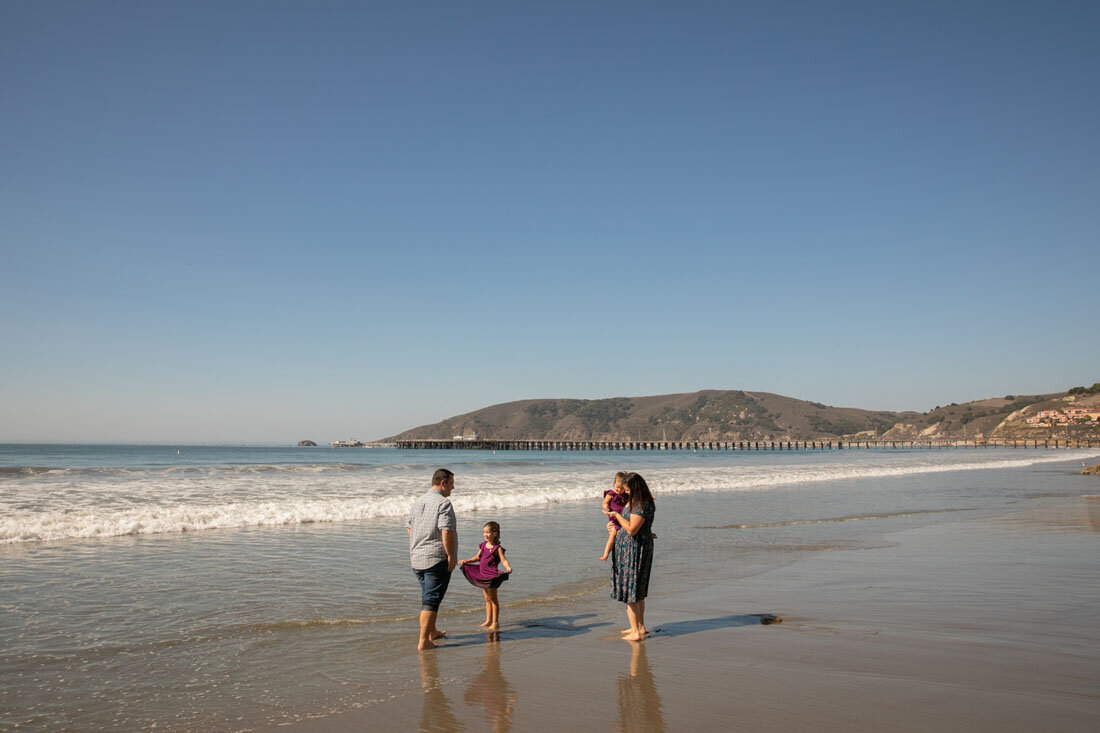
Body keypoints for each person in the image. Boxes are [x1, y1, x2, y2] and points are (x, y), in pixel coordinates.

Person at [407, 468, 457, 650]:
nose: (453, 487)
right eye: (451, 483)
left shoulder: (418, 501)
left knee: (428, 596)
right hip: (436, 558)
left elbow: (409, 528)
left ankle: (432, 631)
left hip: (417, 557)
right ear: (443, 483)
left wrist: (419, 543)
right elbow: (446, 531)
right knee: (431, 600)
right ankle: (423, 641)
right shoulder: (444, 503)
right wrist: (451, 555)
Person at [605, 472, 656, 642]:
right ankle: (639, 627)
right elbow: (637, 526)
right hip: (633, 547)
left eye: (627, 489)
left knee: (632, 591)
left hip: (634, 550)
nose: (625, 492)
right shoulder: (636, 502)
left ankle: (636, 631)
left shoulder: (640, 505)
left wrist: (617, 515)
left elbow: (632, 529)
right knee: (637, 591)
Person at [459, 521, 513, 630]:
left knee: (493, 599)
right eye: (484, 532)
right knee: (487, 599)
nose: (485, 535)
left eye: (487, 532)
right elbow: (477, 558)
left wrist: (507, 567)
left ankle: (495, 622)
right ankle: (488, 620)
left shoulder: (497, 548)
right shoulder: (483, 545)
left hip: (492, 576)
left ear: (495, 533)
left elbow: (503, 560)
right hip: (482, 574)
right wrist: (467, 561)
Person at [600, 472, 629, 562]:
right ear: (614, 484)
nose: (618, 490)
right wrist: (606, 507)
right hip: (614, 519)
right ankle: (605, 554)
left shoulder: (627, 494)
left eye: (621, 488)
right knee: (613, 534)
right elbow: (604, 503)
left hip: (624, 518)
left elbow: (637, 496)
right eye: (617, 487)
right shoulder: (611, 494)